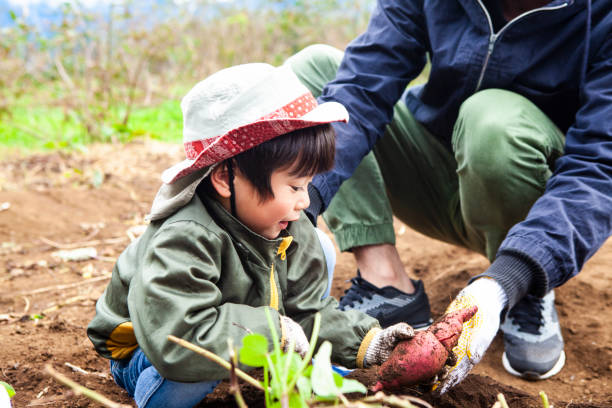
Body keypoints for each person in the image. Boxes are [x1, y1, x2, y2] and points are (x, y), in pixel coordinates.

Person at [283, 0, 612, 393]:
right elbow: (363, 87)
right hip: (433, 173)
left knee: (491, 119)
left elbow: (599, 166)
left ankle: (521, 289)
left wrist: (508, 280)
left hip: (529, 196)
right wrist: (301, 200)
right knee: (315, 71)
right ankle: (384, 281)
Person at [86, 63, 417, 408]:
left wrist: (369, 343)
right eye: (293, 185)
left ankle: (272, 354)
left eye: (307, 184)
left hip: (231, 326)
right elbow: (179, 339)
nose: (305, 200)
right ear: (224, 177)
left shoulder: (290, 221)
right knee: (198, 372)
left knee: (320, 245)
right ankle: (152, 392)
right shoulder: (183, 237)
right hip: (152, 345)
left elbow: (307, 311)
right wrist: (272, 332)